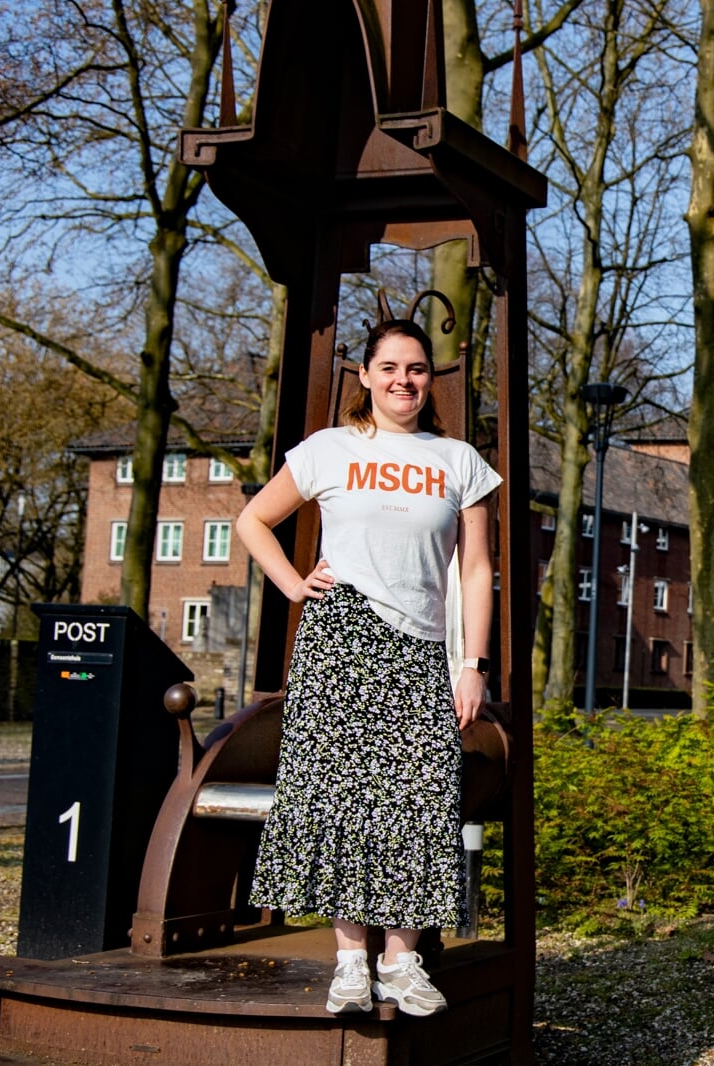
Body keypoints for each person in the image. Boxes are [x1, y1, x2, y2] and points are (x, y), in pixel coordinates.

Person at [235, 317, 499, 1018]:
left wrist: (471, 663)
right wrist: (293, 584)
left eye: (415, 369)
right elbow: (252, 521)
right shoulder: (327, 450)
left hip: (420, 648)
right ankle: (351, 959)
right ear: (366, 376)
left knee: (418, 797)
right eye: (390, 368)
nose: (403, 381)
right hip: (340, 638)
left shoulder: (459, 460)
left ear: (429, 379)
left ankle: (401, 960)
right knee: (334, 793)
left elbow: (475, 569)